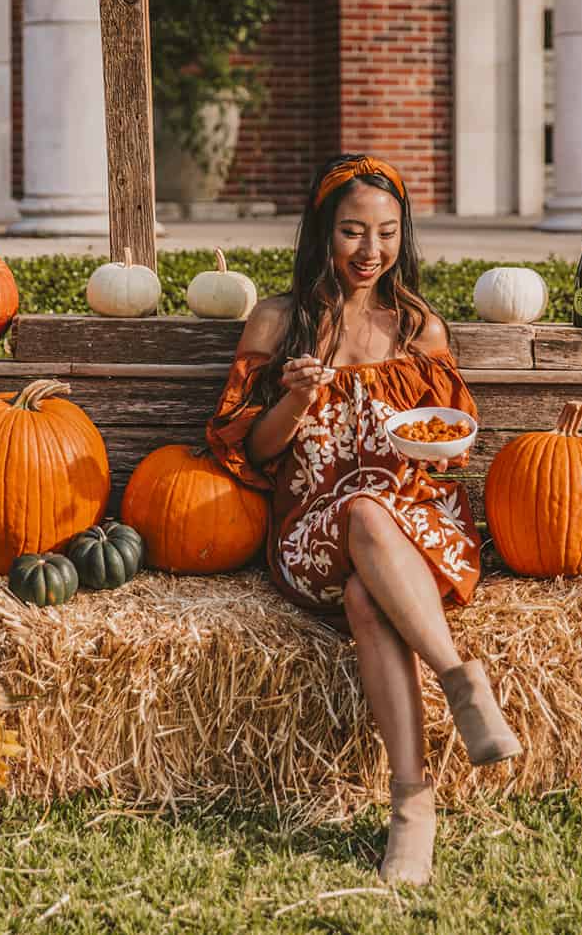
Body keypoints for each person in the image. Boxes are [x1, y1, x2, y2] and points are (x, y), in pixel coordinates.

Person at [205, 153, 522, 886]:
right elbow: (249, 450)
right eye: (352, 232)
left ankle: (412, 810)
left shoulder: (417, 327)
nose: (369, 251)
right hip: (313, 532)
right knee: (357, 511)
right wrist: (293, 397)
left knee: (366, 590)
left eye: (384, 233)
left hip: (416, 525)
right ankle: (459, 680)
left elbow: (446, 448)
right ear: (322, 233)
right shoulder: (279, 322)